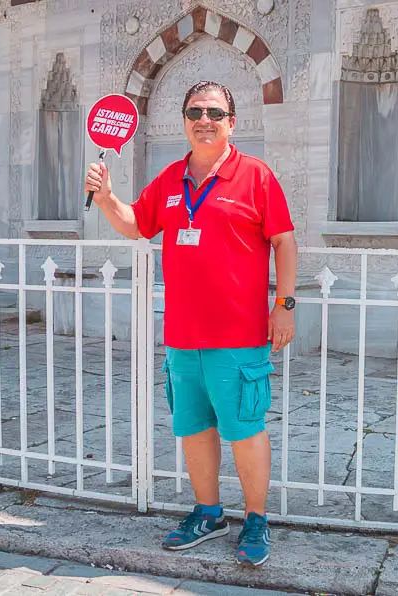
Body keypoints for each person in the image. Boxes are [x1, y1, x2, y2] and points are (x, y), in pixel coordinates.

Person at [83, 81, 297, 567]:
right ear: (183, 120)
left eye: (215, 113)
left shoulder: (257, 177)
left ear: (231, 122)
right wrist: (105, 198)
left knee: (244, 428)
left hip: (239, 335)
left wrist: (284, 304)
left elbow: (284, 242)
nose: (205, 119)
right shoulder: (171, 179)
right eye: (195, 111)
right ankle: (208, 513)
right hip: (182, 335)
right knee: (195, 427)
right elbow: (136, 223)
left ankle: (256, 520)